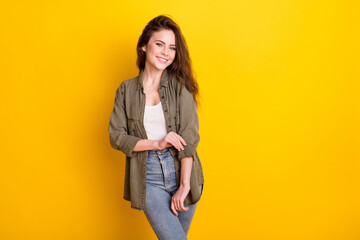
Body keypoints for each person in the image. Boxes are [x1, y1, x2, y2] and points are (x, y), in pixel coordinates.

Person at [108, 15, 204, 240]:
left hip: (184, 172)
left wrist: (184, 186)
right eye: (159, 44)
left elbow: (188, 139)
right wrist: (157, 143)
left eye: (172, 47)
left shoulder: (180, 88)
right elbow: (116, 136)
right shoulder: (126, 90)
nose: (166, 52)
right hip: (147, 176)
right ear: (144, 46)